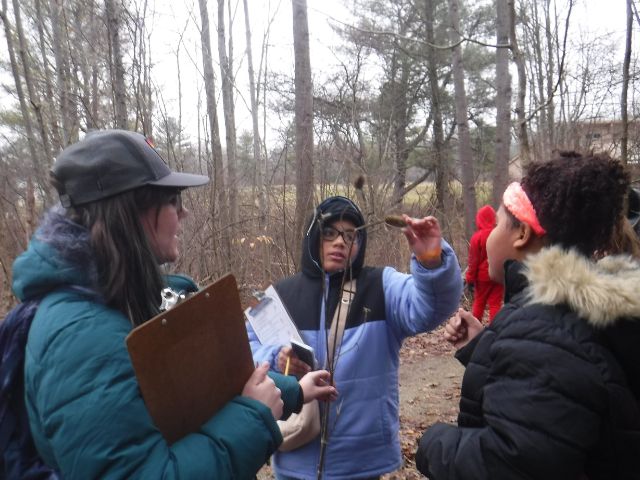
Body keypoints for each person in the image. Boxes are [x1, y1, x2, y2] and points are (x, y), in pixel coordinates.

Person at [6, 129, 337, 479]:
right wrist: (254, 416)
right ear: (132, 212)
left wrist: (295, 391)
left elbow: (203, 386)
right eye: (173, 200)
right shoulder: (81, 336)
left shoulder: (122, 299)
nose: (185, 213)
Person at [415, 151, 640, 479]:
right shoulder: (579, 311)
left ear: (521, 234)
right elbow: (558, 402)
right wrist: (486, 348)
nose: (490, 235)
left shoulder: (545, 326)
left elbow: (510, 464)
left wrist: (435, 442)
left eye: (496, 224)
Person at [247, 195, 463, 479]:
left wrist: (431, 262)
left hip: (362, 457)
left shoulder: (381, 286)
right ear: (313, 237)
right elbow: (246, 348)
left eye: (351, 236)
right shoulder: (280, 294)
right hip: (297, 452)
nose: (340, 242)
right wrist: (276, 357)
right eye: (330, 233)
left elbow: (431, 308)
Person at [464, 205, 503, 323]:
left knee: (479, 302)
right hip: (498, 275)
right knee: (495, 303)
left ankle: (475, 328)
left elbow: (473, 261)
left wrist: (469, 278)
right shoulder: (500, 235)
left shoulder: (477, 237)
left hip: (482, 278)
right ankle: (495, 330)